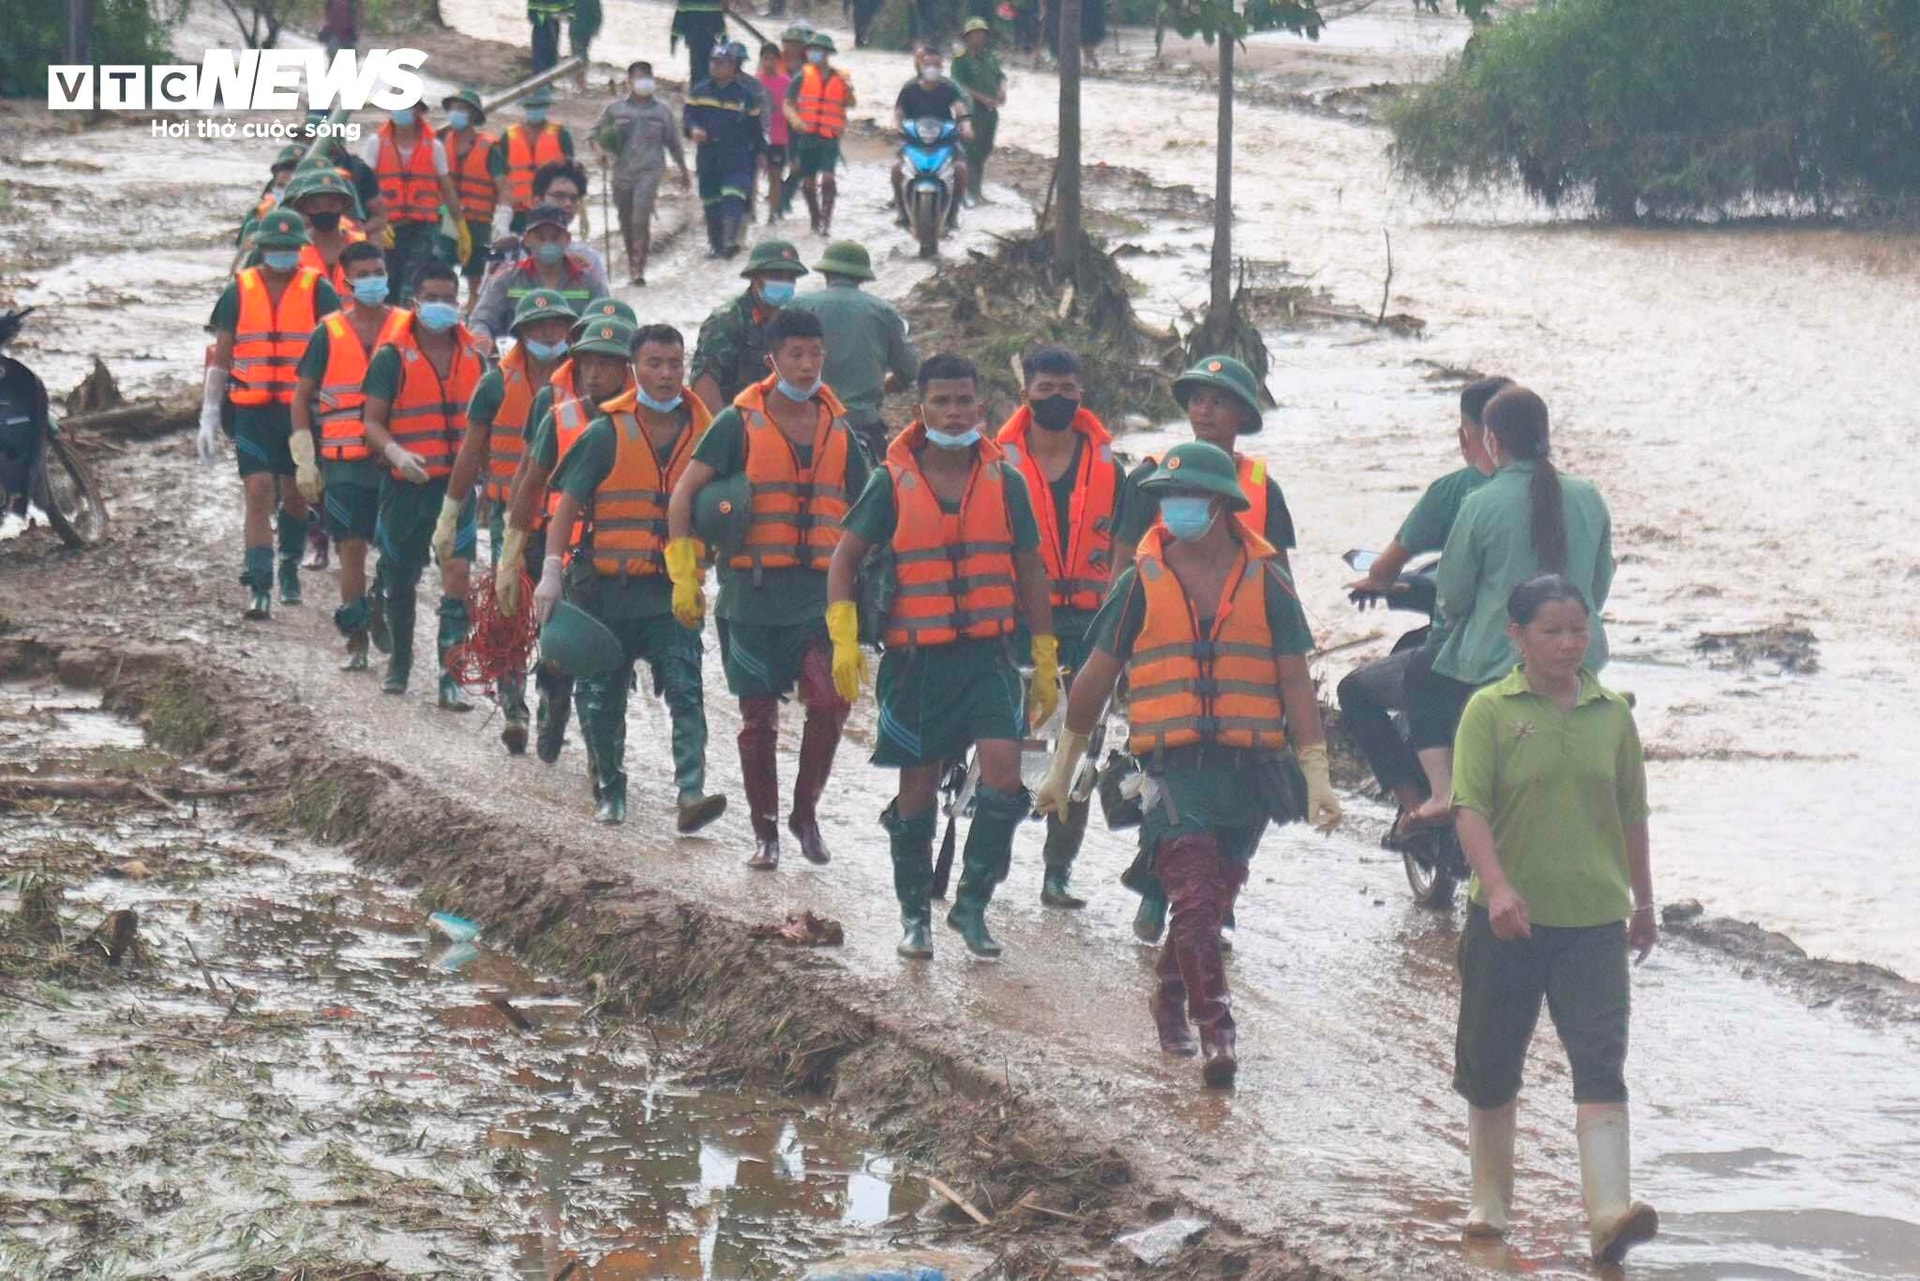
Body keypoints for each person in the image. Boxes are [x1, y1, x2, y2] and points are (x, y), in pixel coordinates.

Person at [1032, 441, 1342, 1087]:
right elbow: (1094, 678)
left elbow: (1294, 685)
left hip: (1253, 770)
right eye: (1168, 498)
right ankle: (1217, 1031)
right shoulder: (1140, 581)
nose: (1176, 509)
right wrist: (1061, 770)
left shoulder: (1269, 582)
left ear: (1223, 504)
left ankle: (1169, 996)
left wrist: (1317, 777)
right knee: (1195, 898)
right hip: (1172, 766)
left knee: (1215, 893)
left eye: (1190, 497)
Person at [1449, 573, 1657, 1263]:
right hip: (1507, 920)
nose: (1570, 643)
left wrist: (1645, 901)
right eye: (1553, 631)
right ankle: (1488, 1203)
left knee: (1601, 1059)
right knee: (1491, 1060)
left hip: (1595, 920)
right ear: (1517, 635)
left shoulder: (1611, 714)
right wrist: (1499, 886)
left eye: (1579, 629)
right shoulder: (1489, 710)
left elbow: (1632, 814)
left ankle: (1607, 1214)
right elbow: (1468, 808)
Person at [827, 353, 1059, 959]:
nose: (954, 413)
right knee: (917, 787)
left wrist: (1043, 650)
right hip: (916, 660)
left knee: (1005, 778)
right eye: (942, 402)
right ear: (919, 409)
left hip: (989, 658)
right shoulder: (890, 482)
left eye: (964, 402)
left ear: (982, 409)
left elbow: (1030, 567)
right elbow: (844, 559)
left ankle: (973, 903)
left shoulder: (1005, 481)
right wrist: (843, 634)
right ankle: (914, 917)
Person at [666, 307, 871, 870]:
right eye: (795, 356)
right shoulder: (736, 422)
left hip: (820, 595)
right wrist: (686, 569)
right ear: (773, 360)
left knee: (831, 702)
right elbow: (685, 493)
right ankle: (766, 834)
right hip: (751, 595)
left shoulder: (839, 428)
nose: (807, 367)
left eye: (815, 355)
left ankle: (805, 813)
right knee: (758, 718)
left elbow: (869, 511)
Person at [1113, 354, 1297, 943]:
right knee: (1167, 779)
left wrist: (1291, 660)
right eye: (1195, 398)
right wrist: (1116, 654)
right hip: (1165, 652)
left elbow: (1281, 576)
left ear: (1243, 413)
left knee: (1253, 786)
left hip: (1244, 659)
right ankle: (1153, 891)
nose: (1203, 409)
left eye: (1218, 400)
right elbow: (1122, 566)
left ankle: (1215, 892)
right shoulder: (1149, 478)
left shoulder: (1265, 489)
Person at [538, 321, 729, 832]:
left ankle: (691, 792)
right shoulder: (606, 432)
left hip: (672, 590)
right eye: (654, 364)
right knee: (603, 694)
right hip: (607, 589)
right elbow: (567, 507)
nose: (666, 375)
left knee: (686, 687)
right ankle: (610, 788)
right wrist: (550, 572)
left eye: (674, 364)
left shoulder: (709, 434)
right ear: (635, 369)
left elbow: (732, 501)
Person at [1405, 385, 1614, 826]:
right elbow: (1596, 588)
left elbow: (1454, 595)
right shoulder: (1590, 497)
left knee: (1420, 676)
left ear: (1492, 442)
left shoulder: (1479, 503)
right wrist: (1568, 631)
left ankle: (1442, 793)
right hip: (1582, 659)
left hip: (1495, 663)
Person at [1337, 375, 1507, 821]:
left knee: (1356, 689)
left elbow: (1407, 574)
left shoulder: (1459, 493)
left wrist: (1378, 580)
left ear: (1466, 434)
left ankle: (1420, 807)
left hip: (1470, 654)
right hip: (1547, 650)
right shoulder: (1569, 495)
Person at [995, 345, 1126, 908]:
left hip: (1089, 624)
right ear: (1025, 393)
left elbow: (1129, 552)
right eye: (1045, 389)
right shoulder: (996, 462)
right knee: (1003, 744)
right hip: (1014, 622)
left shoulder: (1111, 469)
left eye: (1067, 389)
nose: (1056, 399)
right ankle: (987, 860)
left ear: (1082, 394)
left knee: (1081, 750)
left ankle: (1057, 872)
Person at [498, 297, 638, 765]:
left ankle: (604, 757)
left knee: (612, 658)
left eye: (608, 361)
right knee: (562, 646)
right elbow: (528, 474)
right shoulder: (551, 403)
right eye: (589, 362)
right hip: (555, 542)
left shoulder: (653, 408)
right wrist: (511, 550)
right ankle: (552, 704)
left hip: (623, 547)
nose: (595, 373)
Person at [439, 289, 579, 752]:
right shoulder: (496, 383)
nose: (549, 335)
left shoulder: (581, 383)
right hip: (509, 512)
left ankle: (553, 703)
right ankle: (514, 706)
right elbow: (471, 451)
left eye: (557, 327)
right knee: (509, 606)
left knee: (559, 613)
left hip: (567, 515)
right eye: (538, 328)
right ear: (520, 334)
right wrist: (451, 510)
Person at [198, 209, 341, 619]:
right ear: (262, 249)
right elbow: (221, 355)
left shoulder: (319, 290)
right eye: (274, 248)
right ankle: (259, 584)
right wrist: (209, 413)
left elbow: (335, 349)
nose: (282, 255)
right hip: (251, 410)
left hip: (300, 413)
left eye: (289, 248)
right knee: (258, 492)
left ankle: (290, 564)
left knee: (296, 494)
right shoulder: (238, 291)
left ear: (300, 249)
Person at [359, 262, 487, 708]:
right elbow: (371, 422)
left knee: (457, 573)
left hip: (456, 487)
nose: (442, 306)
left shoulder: (475, 356)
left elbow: (489, 423)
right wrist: (395, 453)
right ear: (414, 303)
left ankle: (449, 677)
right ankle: (400, 665)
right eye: (432, 298)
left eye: (449, 299)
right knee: (401, 575)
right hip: (405, 485)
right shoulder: (391, 357)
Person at [289, 241, 407, 672]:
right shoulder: (329, 331)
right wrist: (304, 456)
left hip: (398, 457)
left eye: (379, 270)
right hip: (343, 461)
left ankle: (379, 602)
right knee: (351, 548)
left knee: (396, 552)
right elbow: (301, 396)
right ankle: (355, 636)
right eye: (365, 273)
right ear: (348, 280)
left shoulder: (406, 326)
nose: (374, 279)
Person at [787, 240, 918, 462]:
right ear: (862, 278)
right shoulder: (884, 311)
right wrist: (884, 386)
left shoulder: (797, 306)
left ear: (826, 273)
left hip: (802, 423)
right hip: (863, 423)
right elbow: (909, 369)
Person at [593, 62, 691, 287]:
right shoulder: (615, 110)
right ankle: (631, 261)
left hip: (650, 172)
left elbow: (674, 144)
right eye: (638, 77)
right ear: (629, 81)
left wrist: (684, 171)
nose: (643, 82)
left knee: (640, 218)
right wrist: (600, 152)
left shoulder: (662, 112)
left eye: (647, 77)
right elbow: (593, 135)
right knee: (626, 221)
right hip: (621, 173)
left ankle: (638, 269)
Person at [468, 203, 610, 352]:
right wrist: (482, 338)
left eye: (555, 237)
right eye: (540, 237)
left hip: (574, 362)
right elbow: (481, 319)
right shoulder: (507, 280)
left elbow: (606, 322)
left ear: (567, 240)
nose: (548, 244)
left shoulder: (588, 283)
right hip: (517, 364)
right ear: (527, 240)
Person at [689, 239, 808, 413]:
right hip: (737, 420)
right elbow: (704, 381)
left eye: (790, 278)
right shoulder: (726, 321)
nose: (784, 282)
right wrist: (723, 430)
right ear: (755, 277)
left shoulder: (791, 321)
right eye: (775, 276)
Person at [361, 101, 463, 304]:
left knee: (415, 281)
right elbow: (364, 187)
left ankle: (410, 323)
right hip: (388, 227)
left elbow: (446, 188)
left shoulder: (433, 146)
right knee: (388, 281)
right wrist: (374, 223)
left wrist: (460, 225)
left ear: (418, 111)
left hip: (423, 228)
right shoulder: (376, 143)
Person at [684, 43, 767, 259]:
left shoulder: (746, 97)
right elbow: (688, 119)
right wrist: (694, 129)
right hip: (708, 158)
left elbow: (755, 130)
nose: (716, 67)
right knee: (711, 202)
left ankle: (731, 241)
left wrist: (761, 154)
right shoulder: (698, 92)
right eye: (713, 62)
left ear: (732, 66)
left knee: (733, 196)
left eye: (721, 63)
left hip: (737, 158)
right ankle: (716, 245)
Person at [437, 89, 512, 303]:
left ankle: (472, 307)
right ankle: (445, 304)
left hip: (478, 221)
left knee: (475, 274)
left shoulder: (489, 148)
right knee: (441, 267)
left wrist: (503, 218)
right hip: (447, 218)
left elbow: (504, 187)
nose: (455, 113)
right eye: (453, 108)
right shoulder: (441, 143)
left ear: (473, 115)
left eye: (461, 109)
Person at [891, 47, 972, 230]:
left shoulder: (948, 87)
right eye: (928, 64)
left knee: (960, 169)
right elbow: (899, 111)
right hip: (914, 140)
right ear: (920, 65)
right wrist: (896, 125)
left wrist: (966, 124)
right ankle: (902, 211)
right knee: (896, 169)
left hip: (944, 140)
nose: (932, 68)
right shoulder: (910, 88)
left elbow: (960, 107)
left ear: (942, 67)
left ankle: (953, 214)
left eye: (936, 64)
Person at [784, 33, 854, 236]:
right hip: (807, 136)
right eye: (812, 50)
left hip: (829, 136)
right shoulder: (801, 77)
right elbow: (787, 103)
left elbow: (850, 103)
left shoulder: (840, 78)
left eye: (818, 50)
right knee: (807, 183)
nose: (814, 54)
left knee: (828, 179)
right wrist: (795, 120)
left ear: (827, 54)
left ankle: (825, 222)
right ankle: (815, 218)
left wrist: (848, 90)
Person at [278, 167, 367, 300]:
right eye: (316, 206)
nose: (324, 210)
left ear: (343, 206)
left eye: (332, 205)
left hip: (350, 320)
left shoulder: (361, 246)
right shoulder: (292, 249)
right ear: (305, 208)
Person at [504, 87, 575, 233]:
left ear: (546, 107)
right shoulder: (509, 136)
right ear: (524, 108)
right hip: (518, 209)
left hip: (553, 206)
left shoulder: (561, 134)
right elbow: (499, 175)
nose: (534, 110)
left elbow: (572, 173)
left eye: (538, 106)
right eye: (530, 106)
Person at [950, 18, 1007, 203]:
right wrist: (981, 98)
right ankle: (970, 192)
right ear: (967, 37)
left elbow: (1001, 76)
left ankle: (976, 191)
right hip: (971, 113)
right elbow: (958, 86)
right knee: (971, 152)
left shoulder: (989, 57)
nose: (980, 38)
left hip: (990, 113)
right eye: (975, 34)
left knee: (984, 149)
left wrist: (1002, 90)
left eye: (982, 34)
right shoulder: (961, 60)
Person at [754, 44, 793, 224]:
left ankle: (772, 214)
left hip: (779, 137)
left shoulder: (786, 83)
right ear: (761, 60)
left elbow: (793, 110)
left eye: (772, 59)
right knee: (752, 174)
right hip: (757, 137)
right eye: (765, 59)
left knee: (775, 176)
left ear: (778, 62)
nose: (768, 63)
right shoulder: (755, 82)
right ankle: (751, 210)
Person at [672, 0, 727, 90]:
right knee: (707, 65)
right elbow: (719, 21)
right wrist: (724, 38)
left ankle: (697, 89)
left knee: (696, 66)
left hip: (694, 39)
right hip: (708, 38)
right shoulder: (714, 2)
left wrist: (674, 39)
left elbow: (678, 21)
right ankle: (707, 88)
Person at [528, 0, 568, 74]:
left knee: (546, 52)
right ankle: (543, 79)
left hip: (544, 17)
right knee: (545, 52)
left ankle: (543, 79)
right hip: (547, 17)